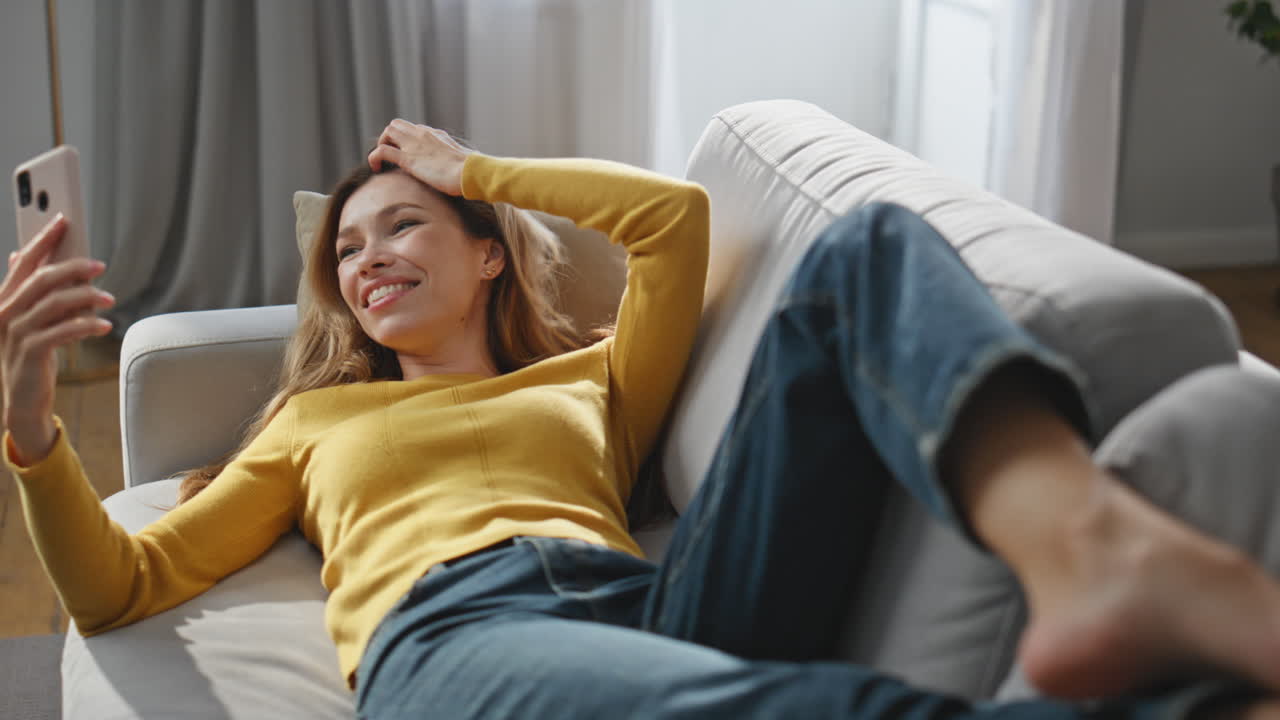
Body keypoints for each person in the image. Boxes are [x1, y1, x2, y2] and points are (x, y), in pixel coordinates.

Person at [4, 119, 1280, 720]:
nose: (368, 258)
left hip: (655, 601)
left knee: (870, 254)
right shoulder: (311, 426)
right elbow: (123, 583)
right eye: (346, 249)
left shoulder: (589, 384)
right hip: (453, 633)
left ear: (488, 253)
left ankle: (1089, 550)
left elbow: (672, 224)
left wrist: (472, 170)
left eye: (405, 223)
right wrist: (28, 427)